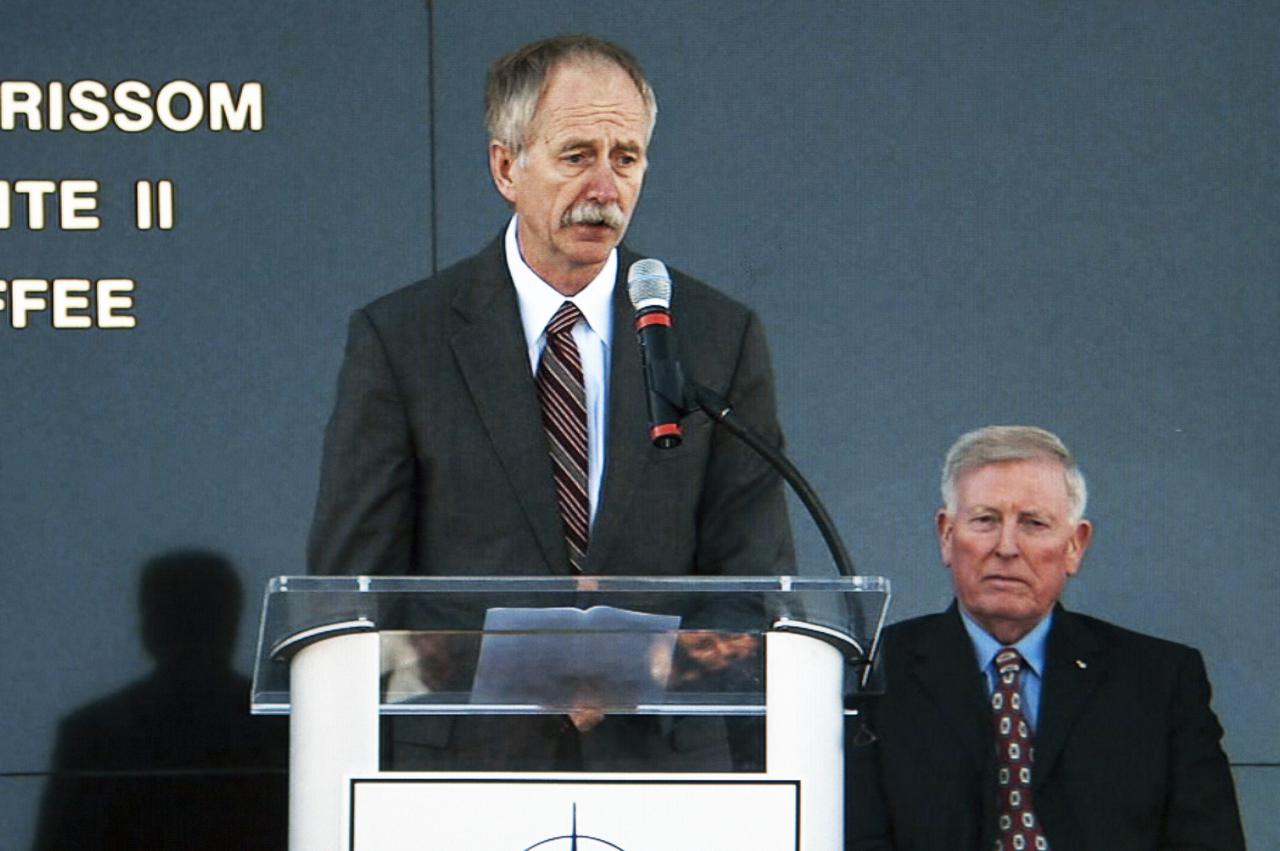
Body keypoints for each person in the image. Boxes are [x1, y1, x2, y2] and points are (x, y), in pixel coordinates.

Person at [306, 34, 792, 770]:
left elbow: (752, 585)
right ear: (507, 166)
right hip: (461, 775)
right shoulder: (404, 340)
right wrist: (514, 668)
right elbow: (353, 599)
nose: (605, 187)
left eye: (625, 158)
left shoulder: (715, 335)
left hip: (662, 770)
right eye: (576, 156)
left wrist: (648, 670)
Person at [846, 425, 1244, 851]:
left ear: (1075, 545)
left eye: (1034, 523)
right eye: (986, 520)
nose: (1007, 547)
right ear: (946, 535)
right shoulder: (872, 673)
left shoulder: (1159, 681)